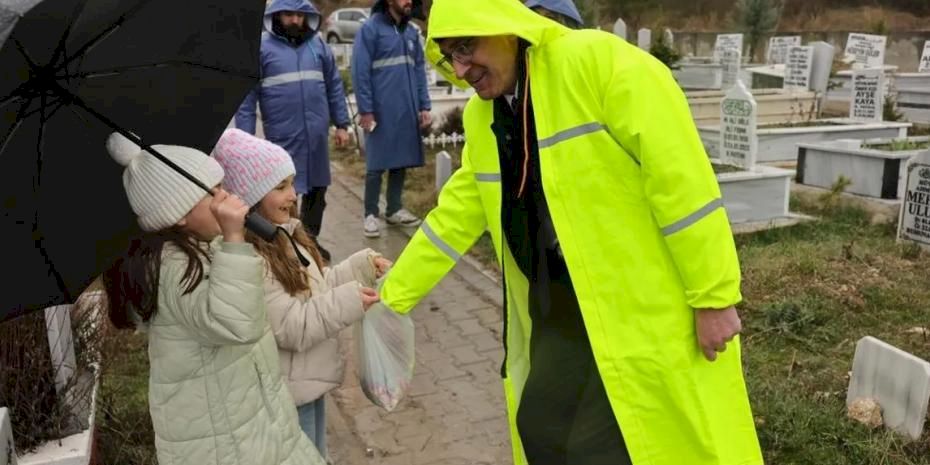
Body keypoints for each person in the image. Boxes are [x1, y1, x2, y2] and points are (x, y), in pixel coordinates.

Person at [372, 0, 764, 464]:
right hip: (557, 316)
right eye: (448, 55)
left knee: (615, 446)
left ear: (506, 28)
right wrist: (392, 297)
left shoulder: (601, 66)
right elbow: (455, 216)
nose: (460, 68)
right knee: (540, 427)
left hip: (639, 314)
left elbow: (683, 188)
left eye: (465, 46)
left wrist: (714, 295)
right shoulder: (487, 117)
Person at [100, 133, 325, 465]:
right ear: (178, 214)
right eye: (212, 192)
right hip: (222, 442)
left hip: (246, 420)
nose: (225, 197)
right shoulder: (173, 269)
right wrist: (234, 238)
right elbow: (236, 324)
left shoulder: (199, 249)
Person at [211, 128, 392, 456]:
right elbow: (293, 326)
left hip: (309, 385)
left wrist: (360, 267)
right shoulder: (253, 261)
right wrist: (351, 300)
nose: (293, 195)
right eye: (280, 187)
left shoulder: (286, 235)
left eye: (291, 183)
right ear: (249, 199)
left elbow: (318, 290)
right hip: (288, 395)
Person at [236, 0, 352, 263]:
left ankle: (311, 242)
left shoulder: (318, 45)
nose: (295, 21)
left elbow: (334, 86)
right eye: (289, 15)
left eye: (300, 15)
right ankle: (290, 247)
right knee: (287, 196)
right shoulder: (262, 49)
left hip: (317, 138)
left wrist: (342, 124)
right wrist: (244, 141)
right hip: (283, 138)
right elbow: (246, 100)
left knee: (318, 193)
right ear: (276, 16)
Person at [351, 0, 432, 238]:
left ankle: (394, 209)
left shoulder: (411, 31)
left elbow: (419, 70)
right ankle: (370, 214)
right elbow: (360, 72)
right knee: (376, 164)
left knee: (401, 159)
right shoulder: (370, 30)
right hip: (380, 110)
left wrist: (424, 105)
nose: (409, 2)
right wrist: (366, 109)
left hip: (406, 108)